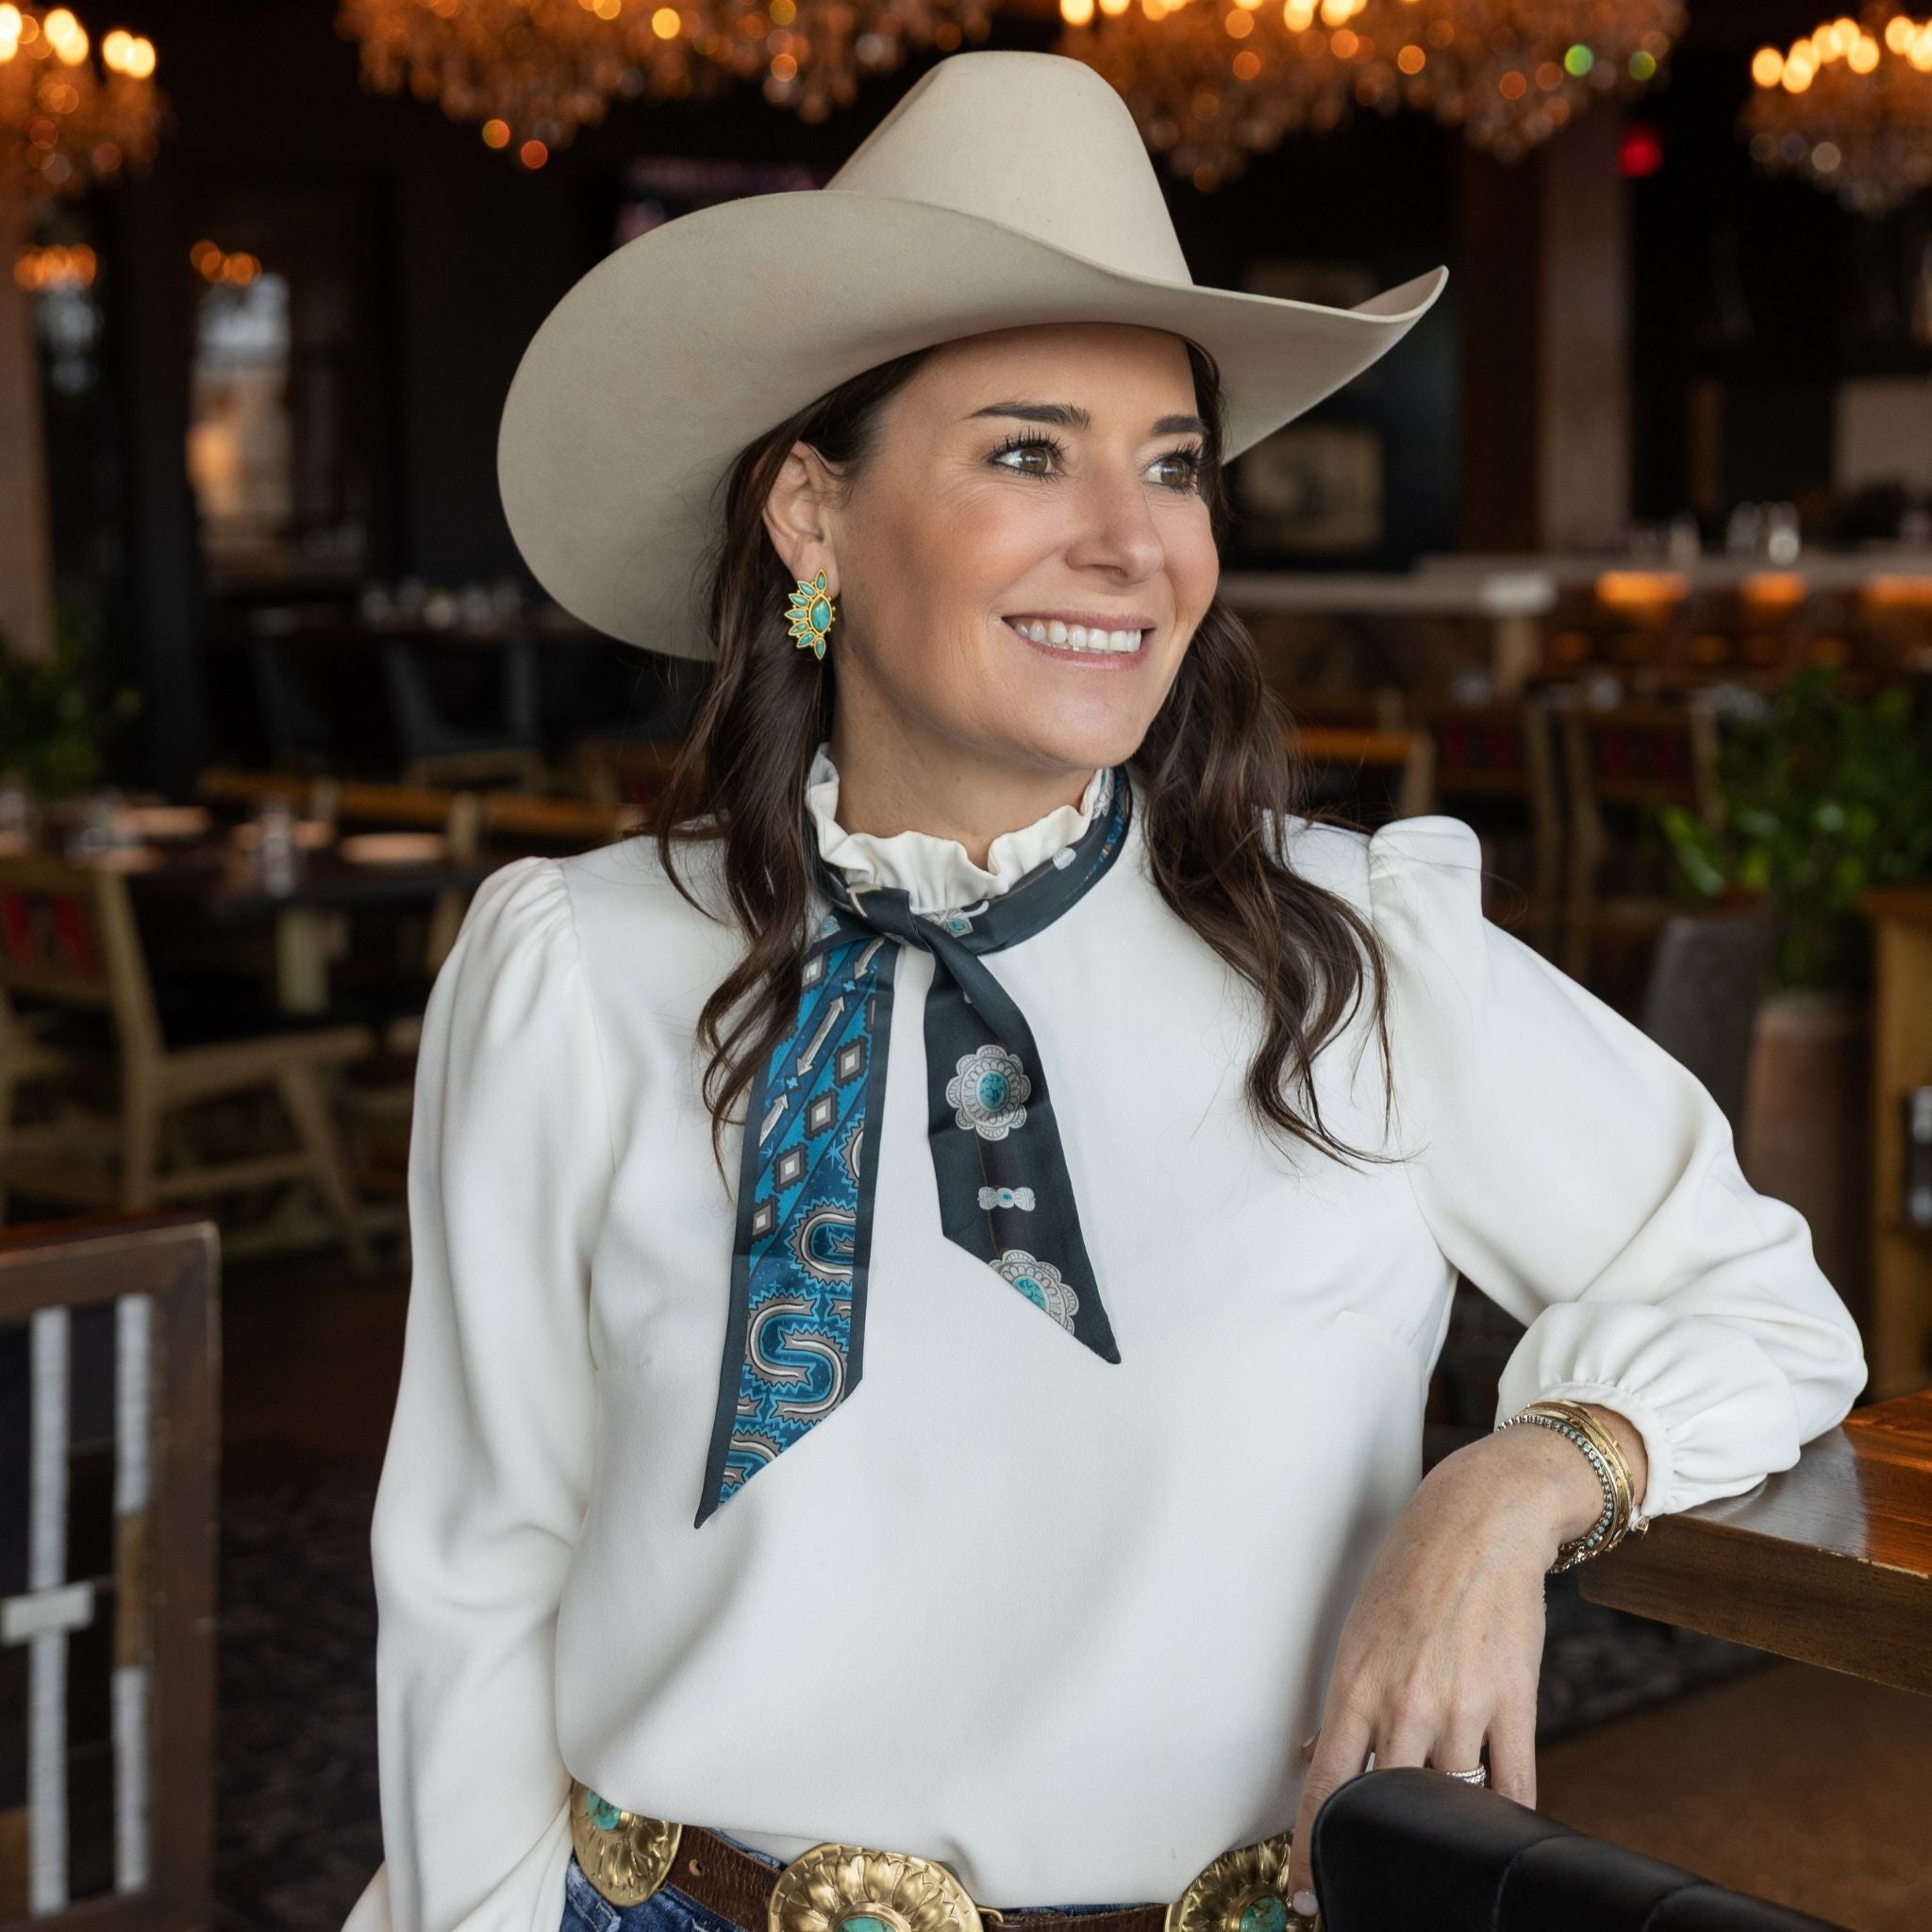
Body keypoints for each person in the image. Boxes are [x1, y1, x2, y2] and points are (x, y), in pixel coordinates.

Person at [340, 46, 1868, 1932]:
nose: (1133, 543)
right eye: (1025, 452)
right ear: (810, 514)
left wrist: (1517, 1479)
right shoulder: (577, 965)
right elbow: (472, 1572)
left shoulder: (1364, 956)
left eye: (1172, 466)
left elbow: (1757, 1300)